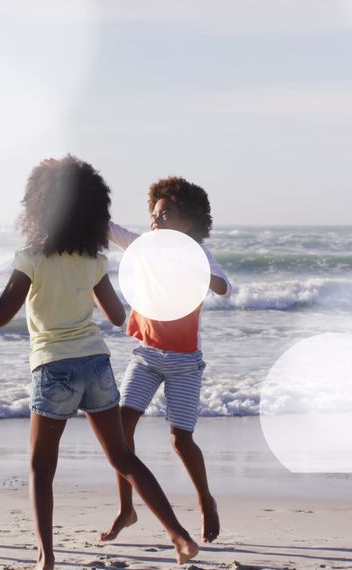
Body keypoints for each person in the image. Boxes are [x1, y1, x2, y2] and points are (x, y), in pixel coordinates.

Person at [0, 157, 199, 569]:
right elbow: (117, 317)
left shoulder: (30, 258)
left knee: (40, 469)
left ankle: (46, 556)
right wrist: (80, 289)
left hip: (54, 368)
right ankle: (180, 536)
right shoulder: (91, 261)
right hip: (96, 365)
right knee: (123, 458)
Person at [100, 176, 230, 544]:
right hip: (146, 355)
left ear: (187, 221)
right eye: (154, 213)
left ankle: (206, 500)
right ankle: (127, 509)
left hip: (186, 363)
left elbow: (224, 287)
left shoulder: (198, 254)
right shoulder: (144, 247)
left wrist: (194, 269)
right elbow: (108, 228)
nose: (156, 219)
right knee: (121, 429)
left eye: (166, 213)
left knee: (181, 441)